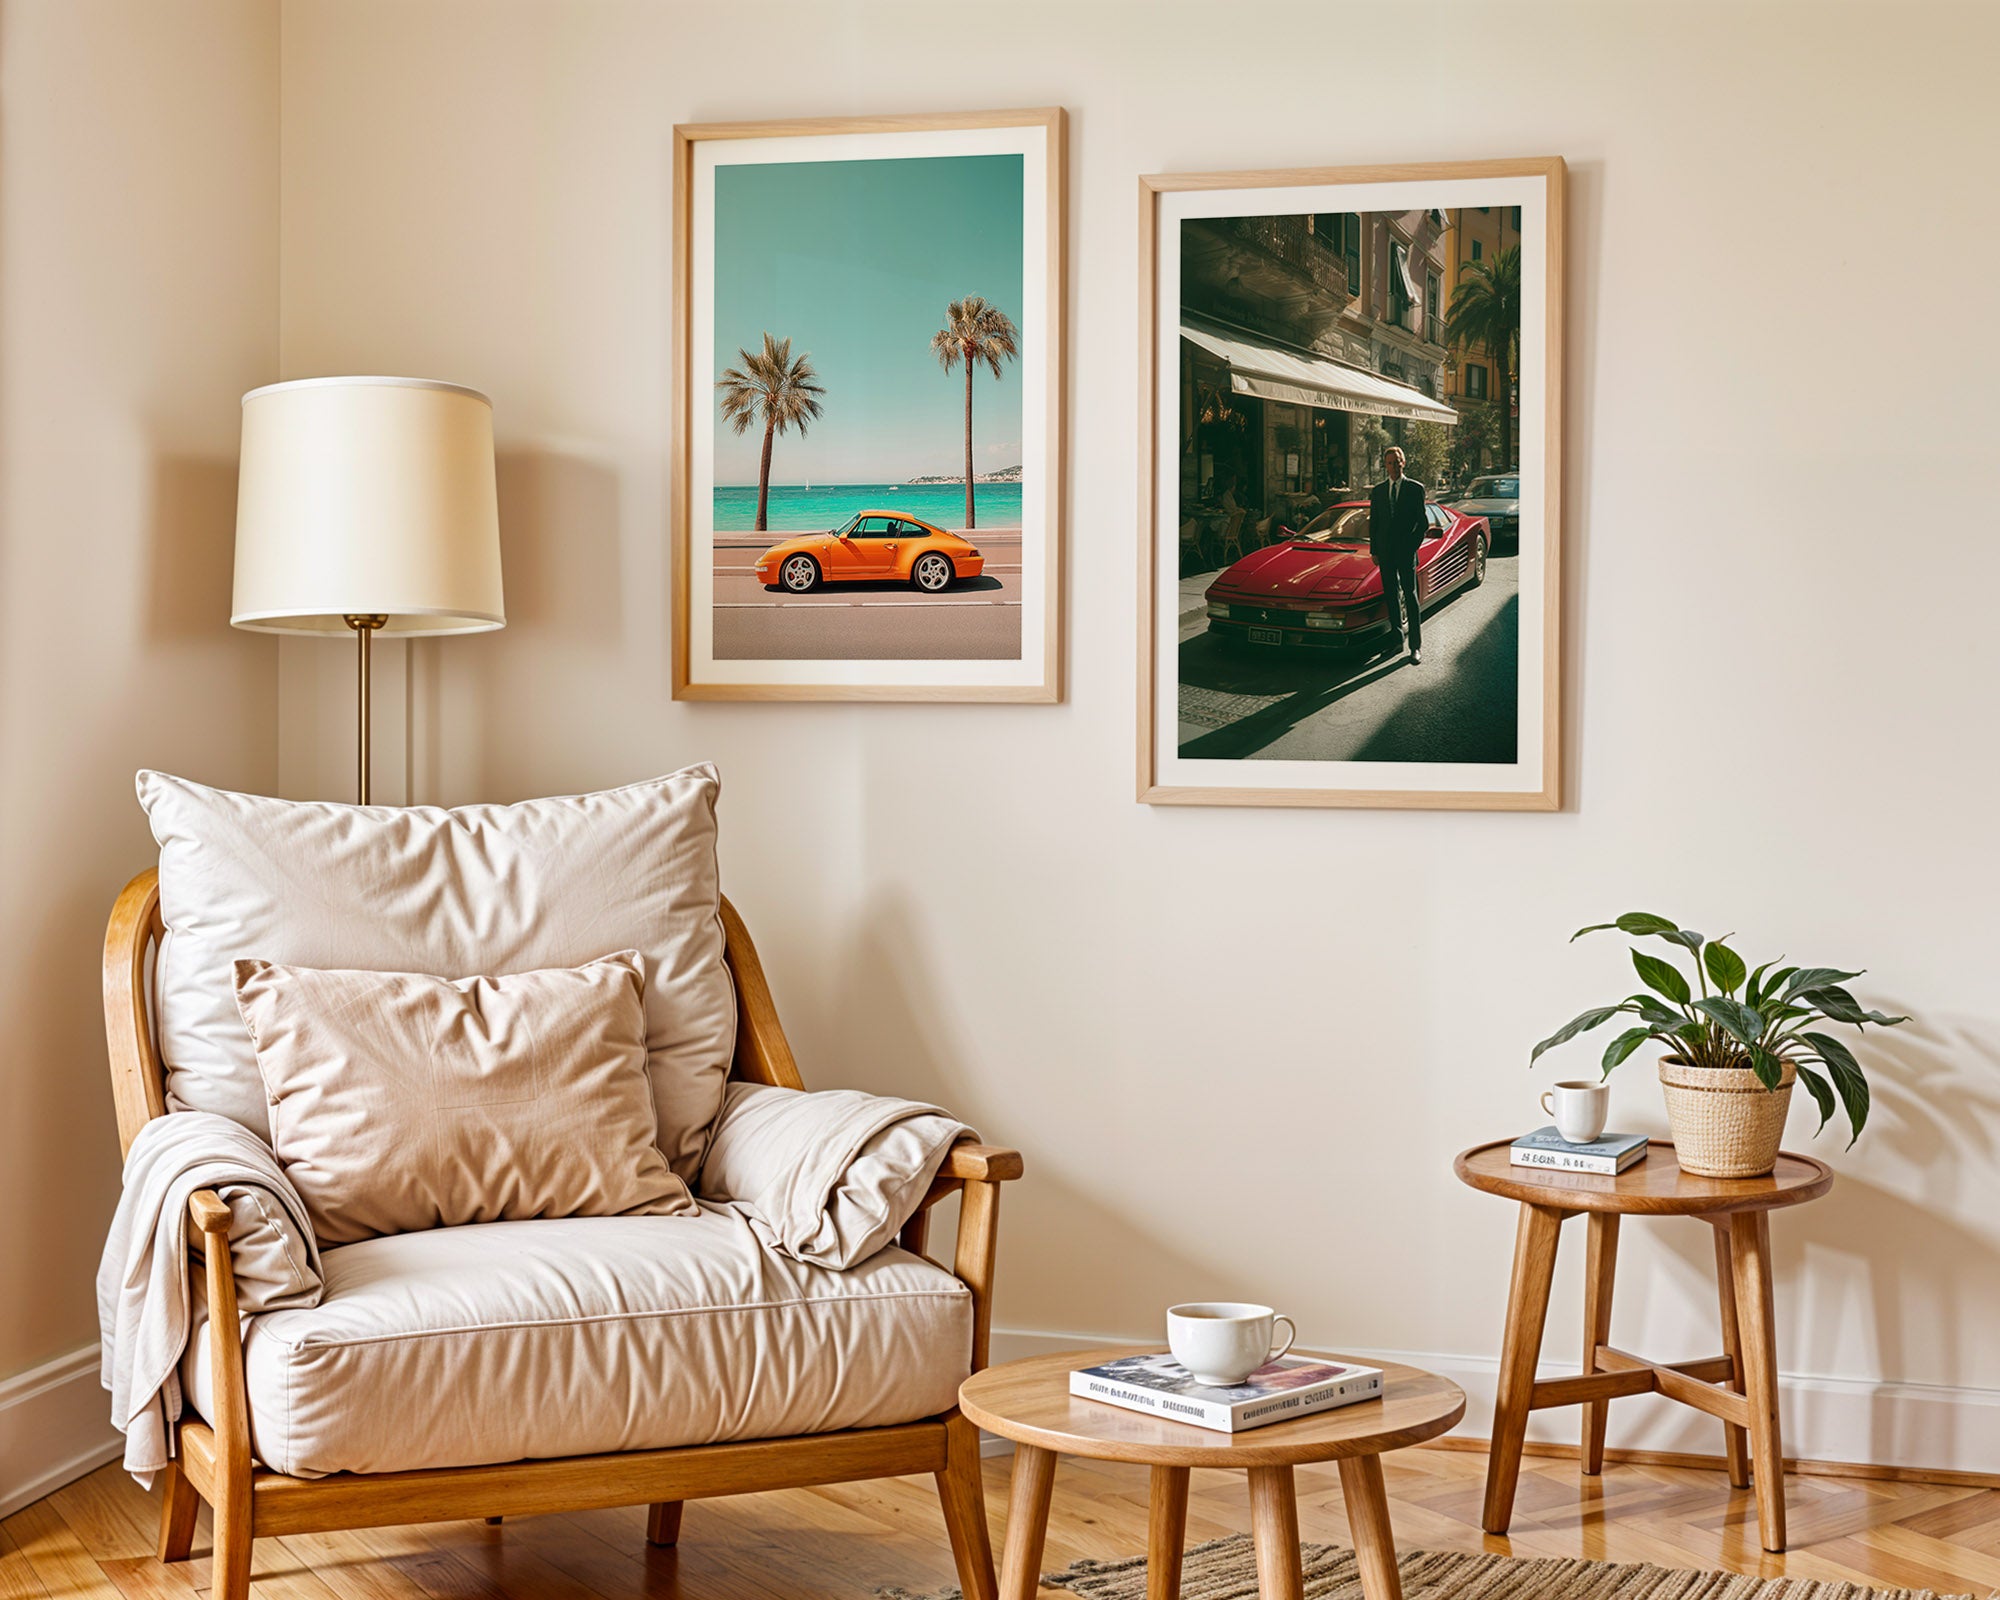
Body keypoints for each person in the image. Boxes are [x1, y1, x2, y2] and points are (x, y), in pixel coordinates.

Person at [1368, 445, 1428, 663]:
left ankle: (1415, 647)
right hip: (1385, 553)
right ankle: (1396, 642)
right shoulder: (1378, 491)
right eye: (1390, 463)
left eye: (1397, 462)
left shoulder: (1415, 488)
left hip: (1406, 552)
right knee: (1391, 597)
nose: (1394, 466)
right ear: (1385, 466)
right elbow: (1374, 523)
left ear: (1404, 463)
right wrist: (1374, 551)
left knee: (1410, 596)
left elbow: (1422, 524)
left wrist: (1411, 547)